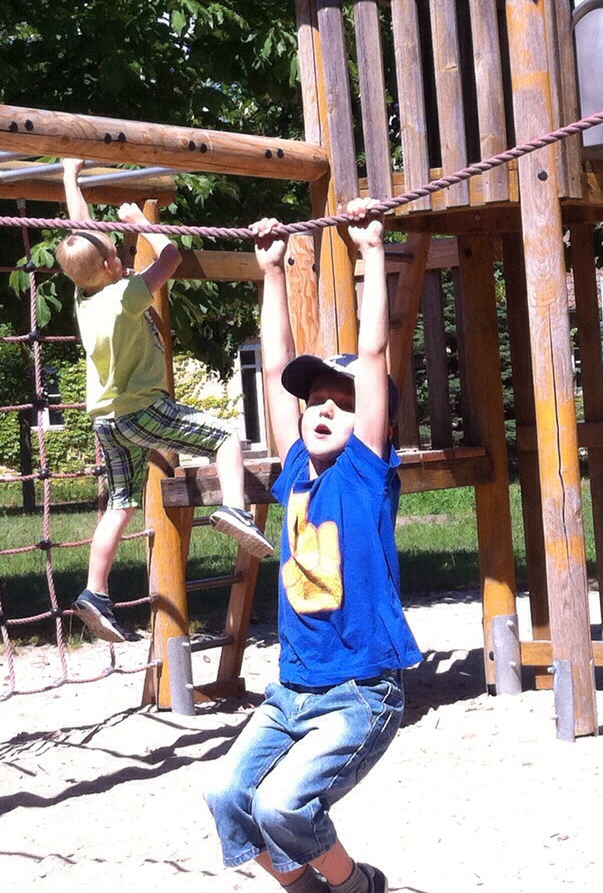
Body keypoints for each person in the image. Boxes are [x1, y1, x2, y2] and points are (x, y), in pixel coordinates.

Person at [203, 199, 421, 893]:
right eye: (317, 399)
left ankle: (358, 887)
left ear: (372, 422)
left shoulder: (364, 472)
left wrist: (371, 251)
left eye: (344, 401)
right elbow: (274, 371)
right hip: (292, 689)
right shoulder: (296, 466)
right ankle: (303, 890)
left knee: (282, 806)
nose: (325, 407)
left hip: (360, 690)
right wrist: (270, 271)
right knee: (227, 797)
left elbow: (374, 352)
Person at [55, 158, 272, 643]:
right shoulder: (126, 295)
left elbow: (80, 227)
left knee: (120, 502)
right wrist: (141, 224)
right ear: (111, 266)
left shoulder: (83, 298)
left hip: (105, 421)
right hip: (141, 410)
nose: (120, 253)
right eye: (116, 252)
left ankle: (94, 591)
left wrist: (71, 176)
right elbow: (170, 258)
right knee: (224, 436)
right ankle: (233, 509)